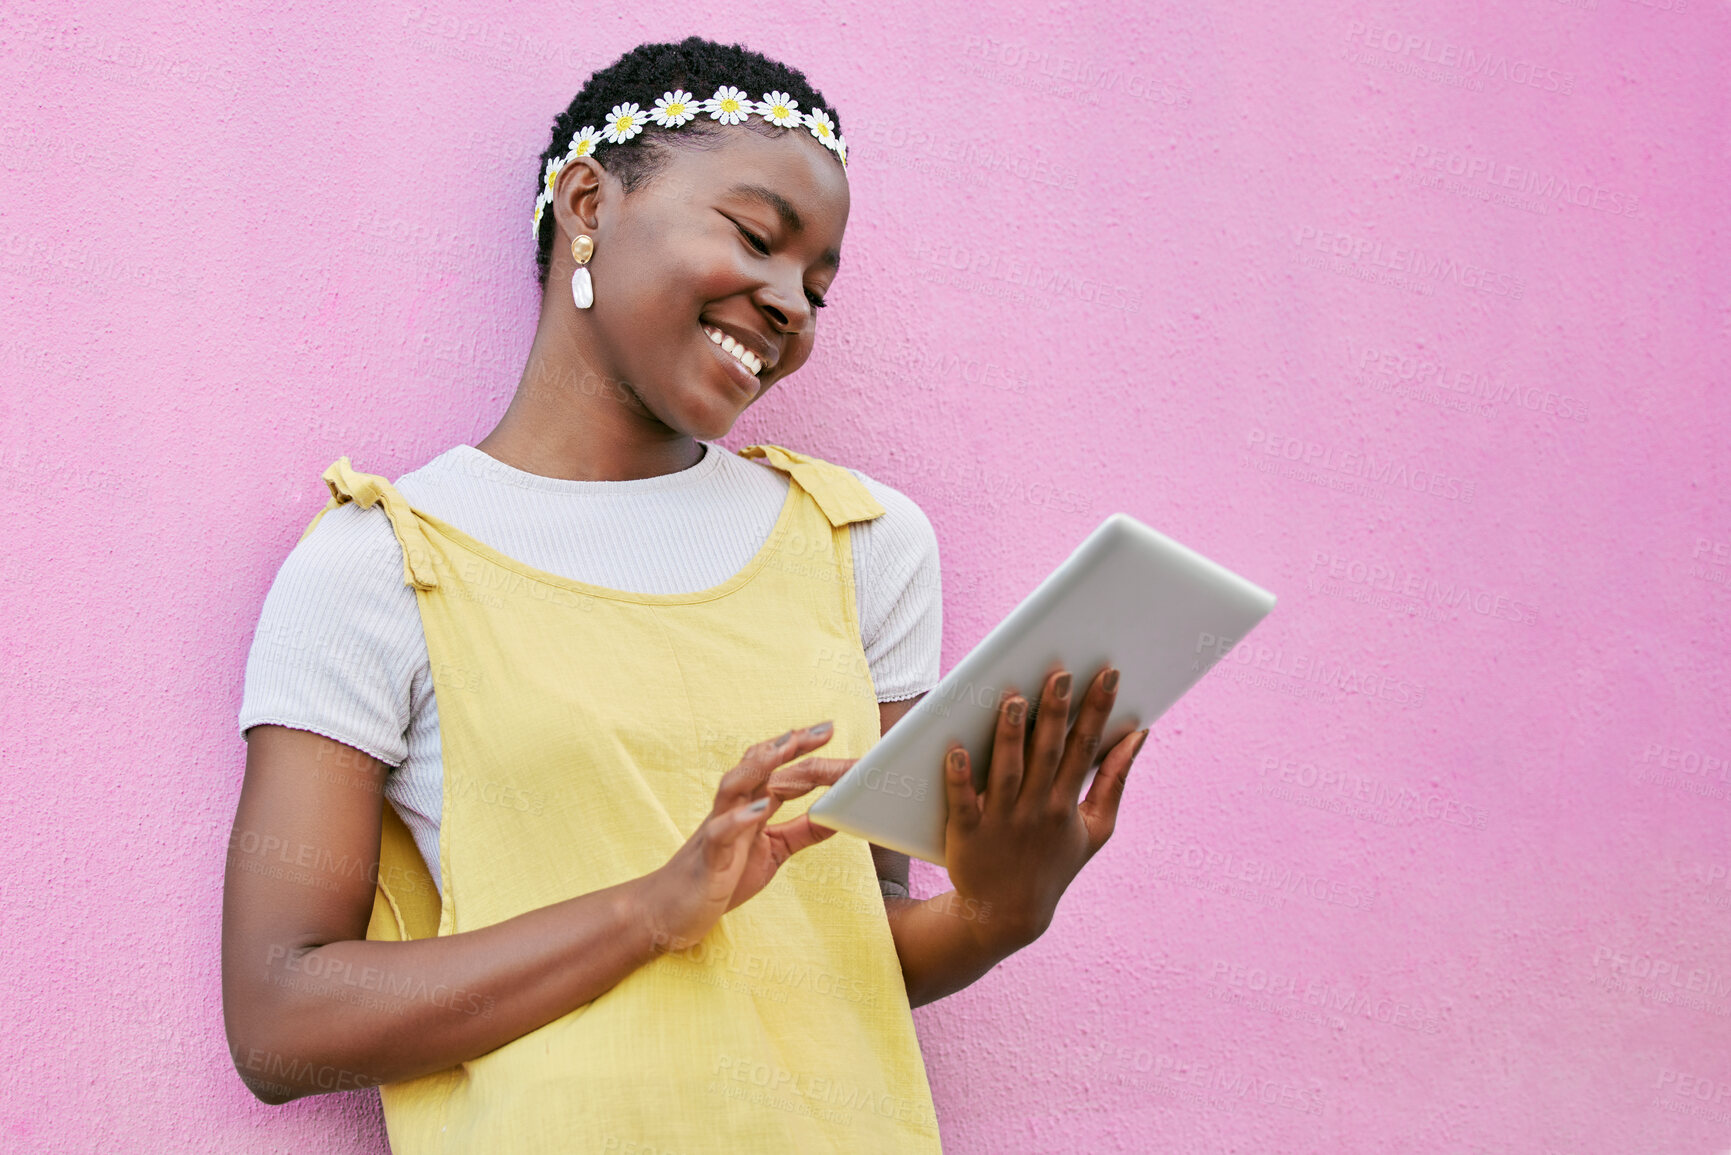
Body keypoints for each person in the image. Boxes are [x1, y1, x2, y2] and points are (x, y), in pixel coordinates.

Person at [222, 36, 1149, 1152]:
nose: (790, 306)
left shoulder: (864, 545)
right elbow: (281, 1019)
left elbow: (856, 942)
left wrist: (1000, 913)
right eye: (757, 239)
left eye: (816, 284)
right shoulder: (379, 566)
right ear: (586, 205)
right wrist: (648, 913)